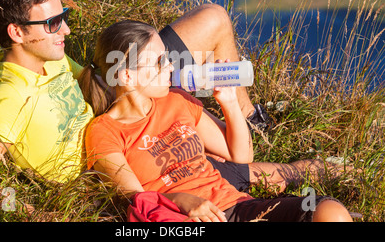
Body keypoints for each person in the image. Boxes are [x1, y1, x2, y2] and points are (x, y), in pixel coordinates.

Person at [0, 0, 342, 194]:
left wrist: (138, 70)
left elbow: (88, 77)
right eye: (51, 24)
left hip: (119, 92)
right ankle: (323, 171)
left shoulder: (47, 52)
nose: (65, 28)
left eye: (61, 16)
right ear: (16, 31)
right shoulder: (6, 100)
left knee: (212, 18)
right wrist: (25, 206)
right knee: (249, 172)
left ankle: (249, 118)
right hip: (122, 155)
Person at [82, 20, 353, 222]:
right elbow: (135, 197)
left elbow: (241, 155)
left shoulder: (177, 100)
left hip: (237, 208)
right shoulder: (104, 131)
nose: (170, 67)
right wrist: (181, 200)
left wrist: (230, 102)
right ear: (127, 76)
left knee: (331, 213)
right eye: (159, 62)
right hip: (184, 219)